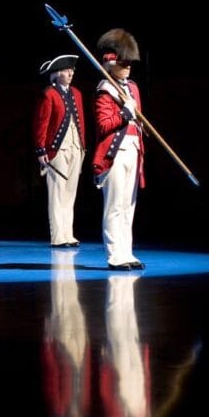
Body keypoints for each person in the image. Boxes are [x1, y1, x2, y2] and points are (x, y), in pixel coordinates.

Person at [93, 29, 145, 271]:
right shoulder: (105, 90)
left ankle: (127, 251)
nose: (128, 67)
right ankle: (115, 255)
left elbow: (139, 122)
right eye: (124, 63)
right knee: (114, 204)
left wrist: (135, 117)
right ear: (112, 64)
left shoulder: (133, 88)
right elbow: (104, 125)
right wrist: (124, 114)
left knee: (128, 205)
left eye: (129, 63)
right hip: (114, 153)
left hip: (134, 149)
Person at [32, 54, 86, 248]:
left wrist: (82, 146)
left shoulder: (77, 94)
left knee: (70, 192)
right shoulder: (49, 94)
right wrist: (41, 149)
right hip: (57, 149)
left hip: (75, 147)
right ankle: (58, 236)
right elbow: (42, 123)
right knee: (57, 193)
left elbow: (80, 123)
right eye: (65, 70)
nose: (70, 73)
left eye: (71, 70)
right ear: (55, 74)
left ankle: (68, 233)